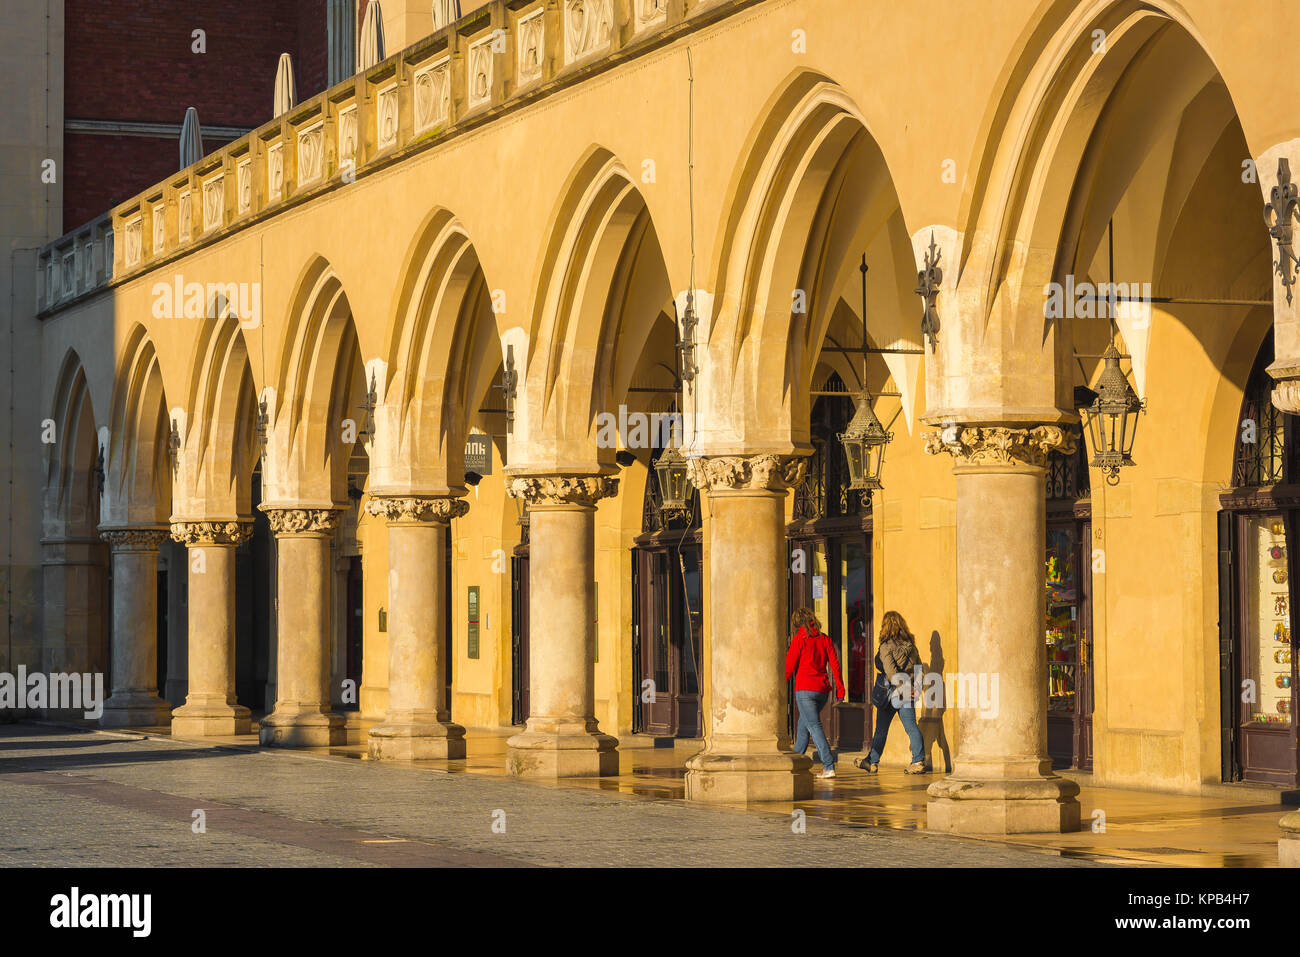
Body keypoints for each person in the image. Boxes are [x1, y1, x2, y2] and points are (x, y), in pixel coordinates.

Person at [856, 610, 927, 774]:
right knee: (911, 727)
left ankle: (872, 762)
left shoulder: (886, 646)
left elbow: (891, 672)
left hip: (891, 694)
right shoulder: (911, 646)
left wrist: (903, 689)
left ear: (885, 627)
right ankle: (918, 761)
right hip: (907, 692)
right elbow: (919, 669)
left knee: (881, 730)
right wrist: (914, 689)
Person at [785, 607, 846, 779]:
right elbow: (835, 665)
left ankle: (828, 765)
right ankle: (795, 763)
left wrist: (780, 688)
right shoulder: (824, 639)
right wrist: (840, 689)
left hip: (805, 690)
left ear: (797, 623)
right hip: (822, 691)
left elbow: (789, 666)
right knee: (803, 727)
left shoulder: (799, 639)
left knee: (814, 726)